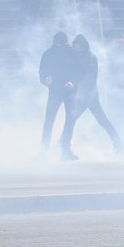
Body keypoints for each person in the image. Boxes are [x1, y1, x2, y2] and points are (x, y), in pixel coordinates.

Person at [71, 34, 124, 154]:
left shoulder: (90, 58)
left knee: (102, 121)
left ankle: (119, 146)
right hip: (83, 95)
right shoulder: (78, 57)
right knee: (72, 119)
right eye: (75, 47)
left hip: (90, 96)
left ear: (83, 47)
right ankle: (62, 144)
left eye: (78, 48)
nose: (76, 50)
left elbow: (88, 78)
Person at [39, 32, 80, 161]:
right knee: (51, 119)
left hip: (69, 91)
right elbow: (42, 71)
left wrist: (73, 82)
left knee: (69, 119)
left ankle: (65, 150)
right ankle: (44, 151)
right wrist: (45, 78)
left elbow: (80, 71)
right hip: (56, 91)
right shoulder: (49, 53)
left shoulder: (72, 53)